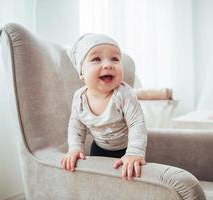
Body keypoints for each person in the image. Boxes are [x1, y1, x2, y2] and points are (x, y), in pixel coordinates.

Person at [60, 33, 147, 181]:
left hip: (127, 149)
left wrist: (134, 153)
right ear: (82, 72)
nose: (108, 64)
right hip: (98, 148)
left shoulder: (125, 94)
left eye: (115, 59)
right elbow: (76, 127)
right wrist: (75, 148)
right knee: (100, 182)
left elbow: (137, 124)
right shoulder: (79, 98)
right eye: (96, 59)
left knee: (128, 180)